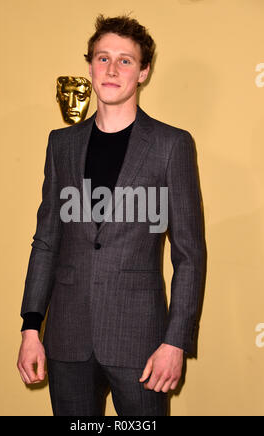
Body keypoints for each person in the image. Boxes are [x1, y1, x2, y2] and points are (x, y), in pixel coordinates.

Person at [17, 14, 206, 416]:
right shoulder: (61, 145)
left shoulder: (172, 146)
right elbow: (47, 240)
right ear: (90, 67)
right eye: (103, 58)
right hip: (67, 339)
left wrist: (175, 342)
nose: (112, 69)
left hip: (142, 341)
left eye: (125, 60)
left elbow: (189, 255)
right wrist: (31, 327)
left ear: (143, 72)